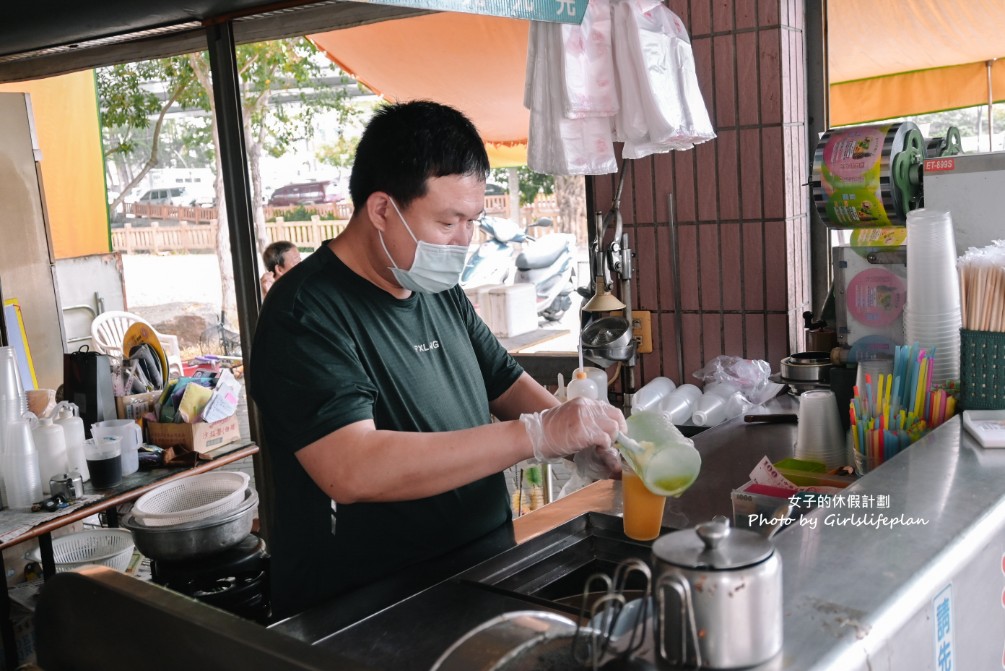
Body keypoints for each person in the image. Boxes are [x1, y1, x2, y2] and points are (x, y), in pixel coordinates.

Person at [249, 100, 625, 619]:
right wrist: (537, 435)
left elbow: (503, 380)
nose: (464, 242)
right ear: (382, 209)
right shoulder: (305, 312)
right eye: (449, 222)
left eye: (473, 221)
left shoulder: (435, 288)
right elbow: (350, 468)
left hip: (480, 571)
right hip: (366, 606)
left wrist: (578, 442)